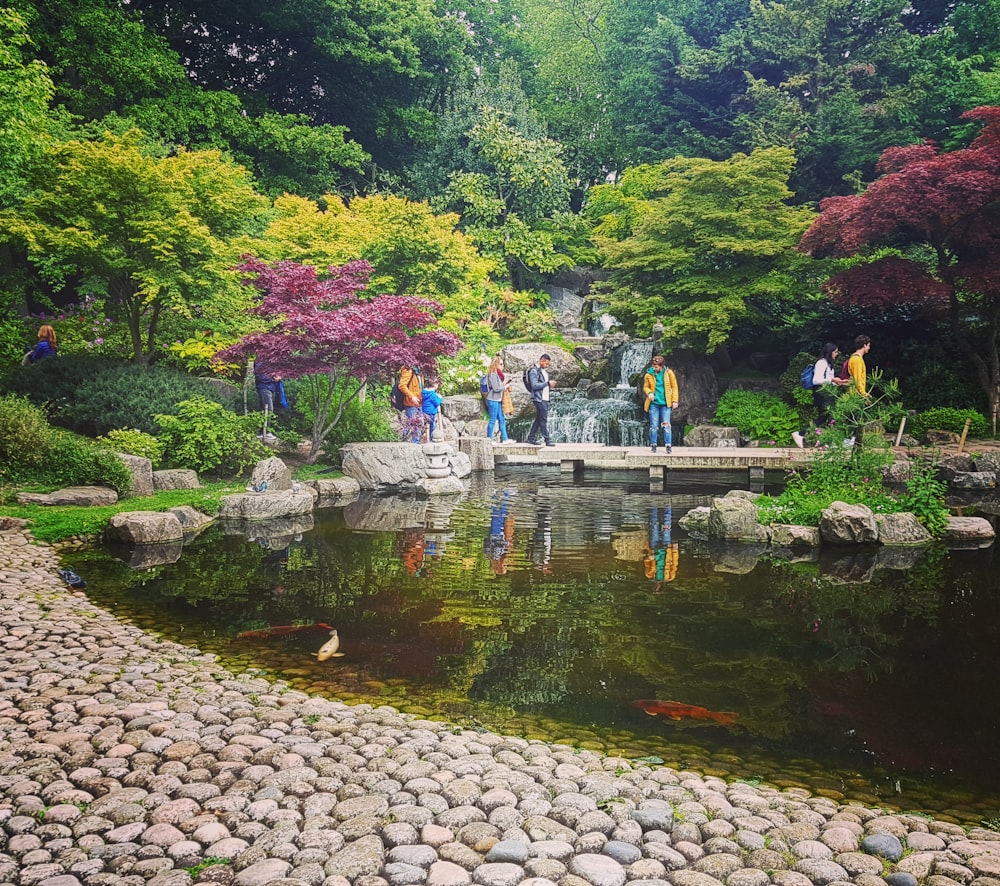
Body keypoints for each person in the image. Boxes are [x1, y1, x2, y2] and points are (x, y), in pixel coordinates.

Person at [792, 342, 849, 448]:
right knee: (831, 414)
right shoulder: (821, 363)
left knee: (825, 417)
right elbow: (816, 380)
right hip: (822, 393)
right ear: (830, 352)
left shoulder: (828, 364)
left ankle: (802, 434)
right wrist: (832, 379)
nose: (837, 354)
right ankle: (831, 441)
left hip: (827, 392)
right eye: (835, 352)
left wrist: (840, 382)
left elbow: (827, 379)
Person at [643, 355, 679, 453]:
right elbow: (645, 387)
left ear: (662, 366)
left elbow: (674, 386)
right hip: (653, 404)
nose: (655, 368)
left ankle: (668, 445)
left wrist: (675, 400)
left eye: (657, 366)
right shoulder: (648, 375)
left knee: (666, 424)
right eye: (654, 366)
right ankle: (653, 445)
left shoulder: (669, 373)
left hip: (665, 404)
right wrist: (649, 393)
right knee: (654, 425)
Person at [644, 505, 678, 591]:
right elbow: (674, 563)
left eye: (656, 589)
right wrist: (675, 550)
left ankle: (654, 506)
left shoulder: (649, 575)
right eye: (659, 589)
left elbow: (646, 562)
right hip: (667, 548)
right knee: (666, 526)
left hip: (654, 548)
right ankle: (668, 507)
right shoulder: (670, 576)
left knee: (654, 526)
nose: (657, 587)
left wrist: (650, 558)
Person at [525, 354, 556, 446]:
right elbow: (534, 385)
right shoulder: (534, 371)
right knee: (543, 419)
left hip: (545, 399)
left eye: (548, 364)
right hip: (539, 399)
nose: (547, 366)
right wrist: (548, 383)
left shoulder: (543, 371)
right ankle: (547, 440)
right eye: (546, 364)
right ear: (542, 361)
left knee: (539, 419)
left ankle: (531, 437)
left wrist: (549, 385)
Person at [253, 356, 285, 441]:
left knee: (265, 409)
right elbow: (259, 375)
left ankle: (262, 431)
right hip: (264, 387)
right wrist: (273, 378)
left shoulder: (271, 358)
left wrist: (279, 376)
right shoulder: (261, 359)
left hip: (271, 387)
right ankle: (265, 432)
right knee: (268, 409)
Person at [484, 356, 511, 443]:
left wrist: (504, 384)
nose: (502, 366)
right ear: (496, 364)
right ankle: (489, 439)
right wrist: (505, 386)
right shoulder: (493, 374)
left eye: (503, 364)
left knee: (502, 419)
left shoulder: (498, 375)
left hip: (498, 400)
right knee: (492, 420)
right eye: (501, 364)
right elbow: (496, 389)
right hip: (493, 400)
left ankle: (505, 439)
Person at [399, 364, 423, 444]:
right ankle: (406, 442)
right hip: (411, 403)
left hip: (419, 402)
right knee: (412, 425)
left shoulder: (418, 371)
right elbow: (402, 386)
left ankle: (415, 444)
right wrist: (412, 396)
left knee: (418, 425)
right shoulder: (408, 370)